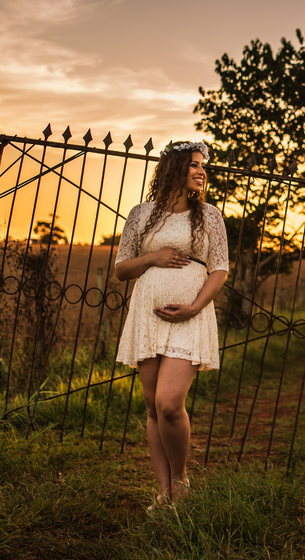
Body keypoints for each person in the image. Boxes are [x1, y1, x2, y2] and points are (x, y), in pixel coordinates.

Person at [114, 140, 229, 509]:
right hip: (147, 313)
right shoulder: (141, 214)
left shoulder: (209, 215)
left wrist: (194, 307)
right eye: (194, 165)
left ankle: (180, 482)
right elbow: (121, 269)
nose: (201, 172)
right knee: (151, 406)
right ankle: (163, 493)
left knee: (168, 403)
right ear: (174, 168)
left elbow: (221, 269)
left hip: (189, 315)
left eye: (203, 167)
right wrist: (154, 257)